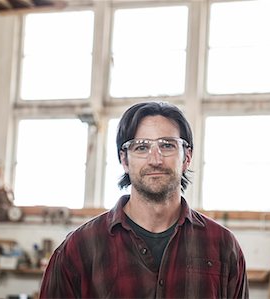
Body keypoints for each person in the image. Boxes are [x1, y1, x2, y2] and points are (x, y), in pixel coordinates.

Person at [39, 101, 249, 298]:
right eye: (141, 147)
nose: (155, 159)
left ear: (186, 158)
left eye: (167, 145)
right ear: (124, 160)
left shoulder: (223, 246)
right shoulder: (79, 248)